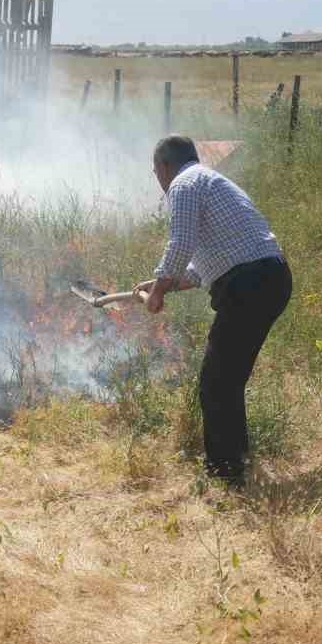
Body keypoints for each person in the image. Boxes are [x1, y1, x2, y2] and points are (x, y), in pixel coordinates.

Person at [136, 135, 291, 486]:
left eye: (155, 172)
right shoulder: (210, 181)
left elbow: (180, 241)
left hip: (250, 283)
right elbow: (204, 267)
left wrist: (159, 289)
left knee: (216, 382)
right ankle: (236, 461)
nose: (158, 181)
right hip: (269, 278)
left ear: (162, 167)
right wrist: (164, 284)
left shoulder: (183, 184)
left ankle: (226, 472)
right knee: (227, 379)